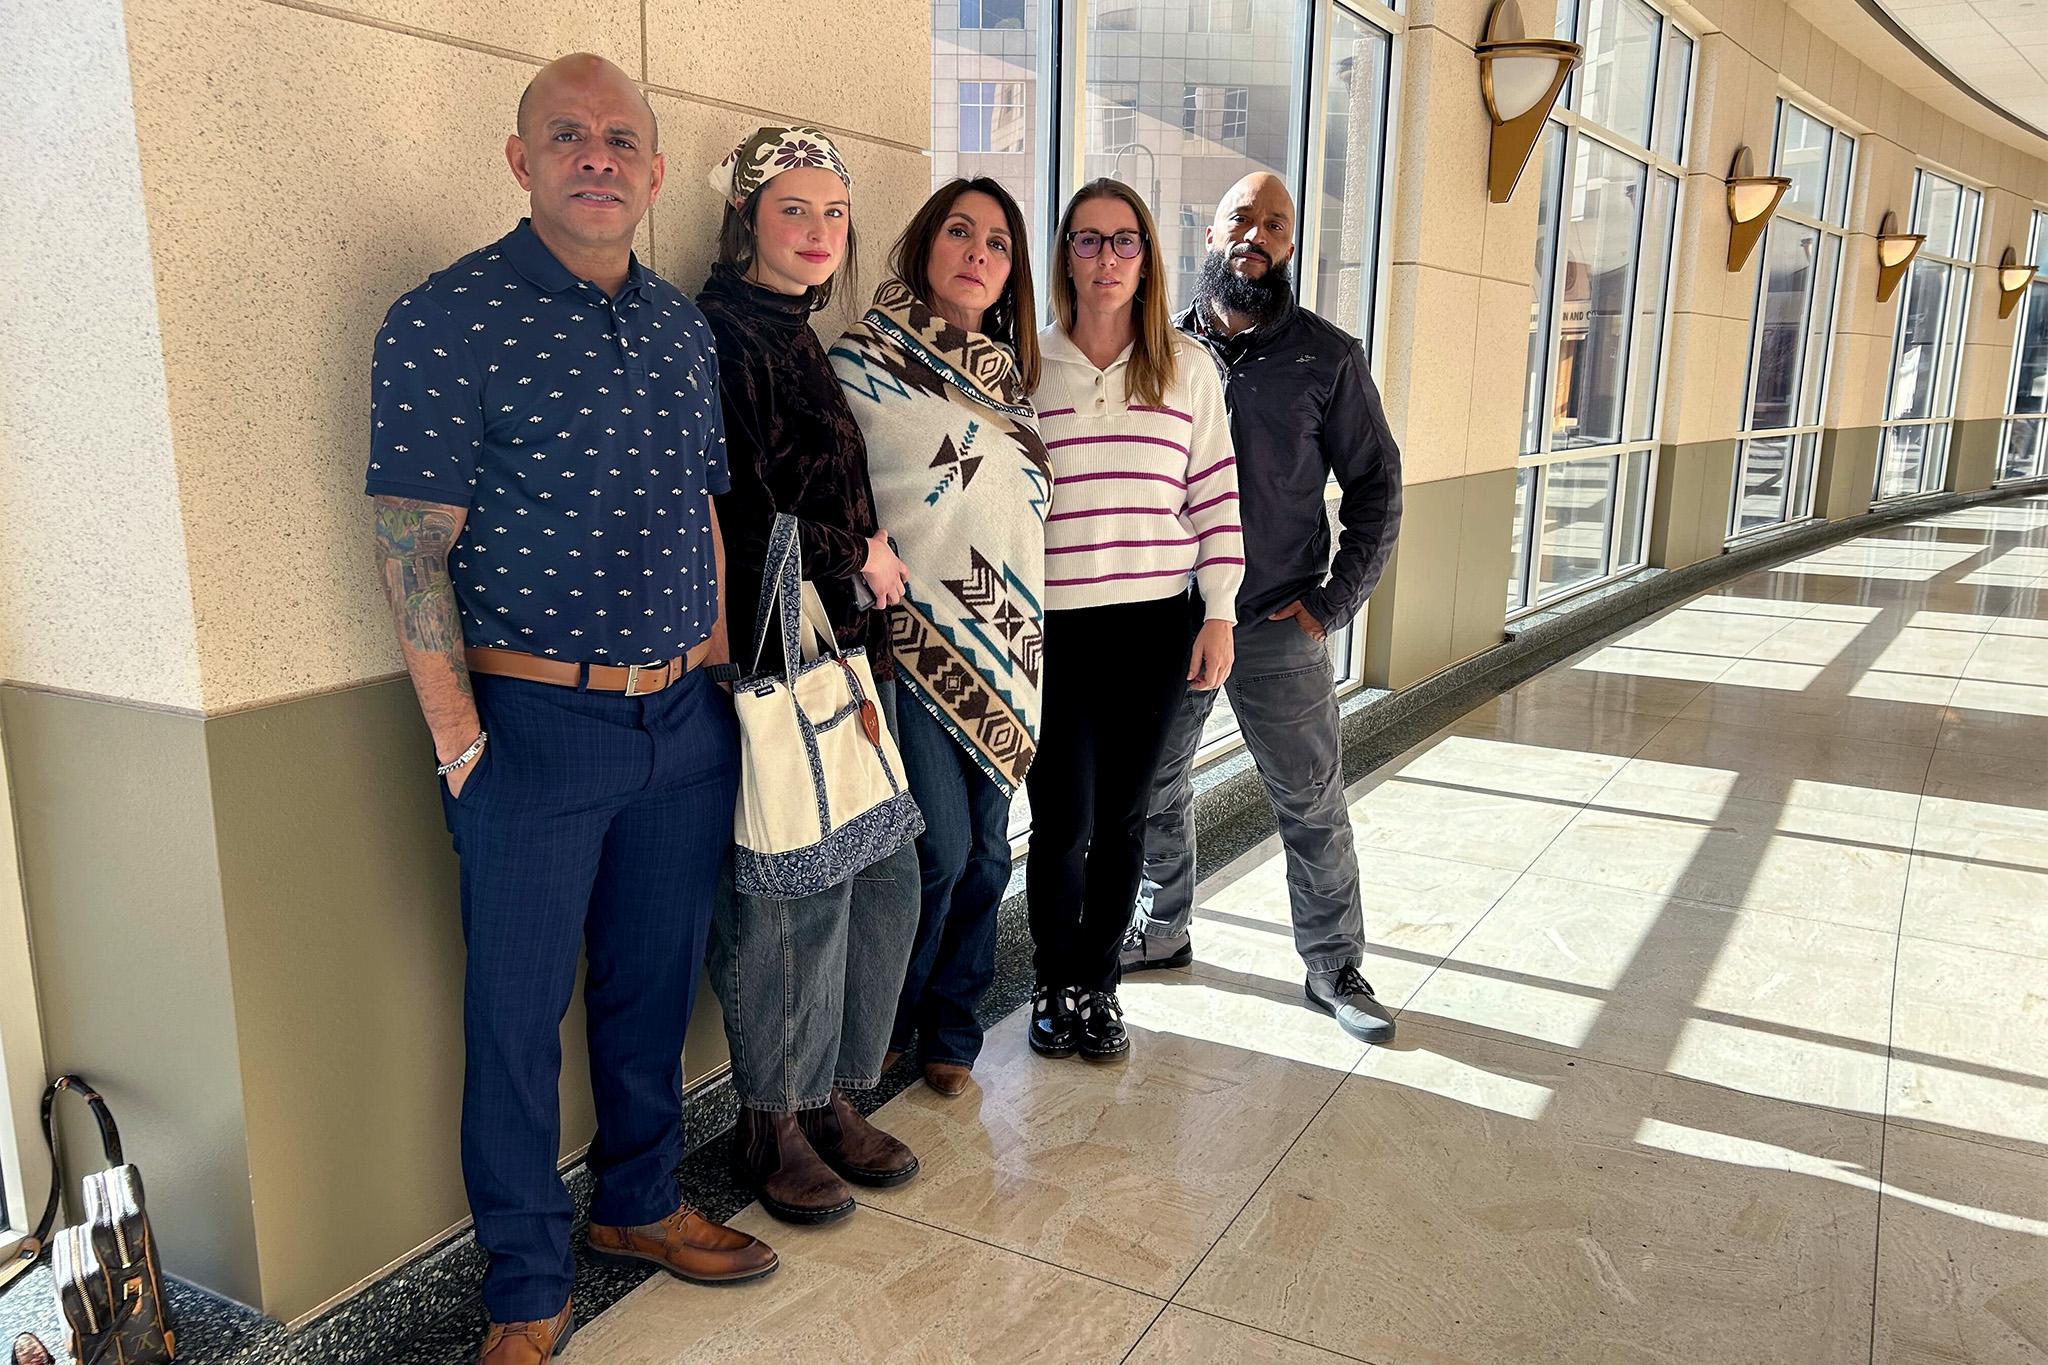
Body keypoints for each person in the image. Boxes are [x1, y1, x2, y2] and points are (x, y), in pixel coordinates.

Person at [366, 54, 775, 1365]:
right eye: (568, 135)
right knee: (514, 1019)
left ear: (655, 174)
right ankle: (524, 1285)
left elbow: (706, 508)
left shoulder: (678, 329)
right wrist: (459, 745)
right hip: (531, 733)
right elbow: (410, 545)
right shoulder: (444, 320)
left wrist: (708, 674)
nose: (596, 156)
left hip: (680, 728)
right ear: (520, 159)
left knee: (650, 991)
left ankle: (641, 1205)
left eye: (619, 139)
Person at [696, 124, 924, 1226]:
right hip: (774, 661)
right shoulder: (720, 334)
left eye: (834, 213)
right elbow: (737, 513)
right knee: (793, 895)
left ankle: (832, 1095)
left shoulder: (795, 334)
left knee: (879, 877)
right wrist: (857, 556)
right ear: (747, 217)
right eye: (795, 209)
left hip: (840, 656)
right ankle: (770, 1123)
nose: (820, 231)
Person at [1122, 172, 1404, 1044]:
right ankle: (1162, 927)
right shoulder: (1157, 351)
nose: (1258, 233)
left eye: (1276, 224)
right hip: (1175, 618)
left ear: (1290, 245)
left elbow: (1378, 487)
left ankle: (1334, 964)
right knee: (1155, 783)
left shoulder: (1329, 356)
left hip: (1279, 620)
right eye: (1242, 216)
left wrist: (1331, 605)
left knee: (1310, 798)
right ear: (1212, 232)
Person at [829, 179, 1051, 1096]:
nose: (977, 252)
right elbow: (845, 491)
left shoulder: (1016, 388)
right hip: (905, 637)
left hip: (1006, 644)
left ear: (1010, 275)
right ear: (924, 244)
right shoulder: (860, 360)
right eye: (959, 232)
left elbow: (1018, 519)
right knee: (939, 851)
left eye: (997, 243)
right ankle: (889, 1016)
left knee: (993, 855)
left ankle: (954, 1025)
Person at [1026, 179, 1243, 1063]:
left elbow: (1216, 494)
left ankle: (1100, 985)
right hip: (1057, 631)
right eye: (1088, 240)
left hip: (1155, 626)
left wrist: (1219, 611)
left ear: (1147, 257)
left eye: (1125, 242)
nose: (1107, 258)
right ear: (1065, 254)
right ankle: (1051, 977)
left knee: (1123, 819)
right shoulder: (1029, 366)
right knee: (1060, 818)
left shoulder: (1188, 368)